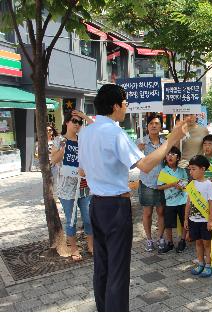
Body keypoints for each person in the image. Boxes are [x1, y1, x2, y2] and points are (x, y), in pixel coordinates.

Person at [78, 84, 187, 311]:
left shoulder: (86, 131)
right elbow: (146, 165)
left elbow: (83, 170)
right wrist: (171, 140)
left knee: (102, 266)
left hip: (96, 203)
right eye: (125, 102)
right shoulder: (114, 132)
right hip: (115, 206)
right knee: (117, 269)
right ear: (116, 105)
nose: (127, 106)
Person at [50, 112, 92, 261]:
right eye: (74, 121)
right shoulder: (59, 140)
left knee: (88, 218)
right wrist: (63, 147)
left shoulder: (83, 140)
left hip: (84, 186)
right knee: (71, 220)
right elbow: (54, 160)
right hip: (66, 189)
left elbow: (90, 159)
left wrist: (83, 116)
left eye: (79, 122)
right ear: (67, 122)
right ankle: (74, 248)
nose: (77, 124)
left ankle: (91, 245)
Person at [137, 114, 167, 253]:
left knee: (161, 212)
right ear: (147, 126)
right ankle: (149, 239)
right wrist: (139, 150)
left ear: (161, 126)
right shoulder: (140, 142)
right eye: (151, 124)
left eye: (157, 123)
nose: (154, 126)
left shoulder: (165, 142)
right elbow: (134, 162)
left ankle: (160, 237)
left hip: (162, 183)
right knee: (147, 212)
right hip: (147, 182)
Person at [184, 155, 212, 277]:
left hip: (205, 220)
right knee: (197, 242)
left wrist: (210, 221)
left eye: (193, 169)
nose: (191, 172)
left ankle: (208, 264)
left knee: (207, 243)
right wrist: (186, 219)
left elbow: (211, 203)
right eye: (190, 169)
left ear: (203, 169)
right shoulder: (191, 184)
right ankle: (200, 263)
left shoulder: (209, 185)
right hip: (193, 220)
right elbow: (188, 202)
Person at [157, 146, 188, 253]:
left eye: (173, 154)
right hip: (170, 202)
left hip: (183, 201)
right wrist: (172, 184)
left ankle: (183, 240)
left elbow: (186, 184)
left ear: (178, 158)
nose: (170, 156)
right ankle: (170, 242)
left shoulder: (182, 170)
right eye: (168, 154)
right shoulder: (163, 171)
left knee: (184, 221)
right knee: (168, 224)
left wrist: (181, 185)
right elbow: (159, 187)